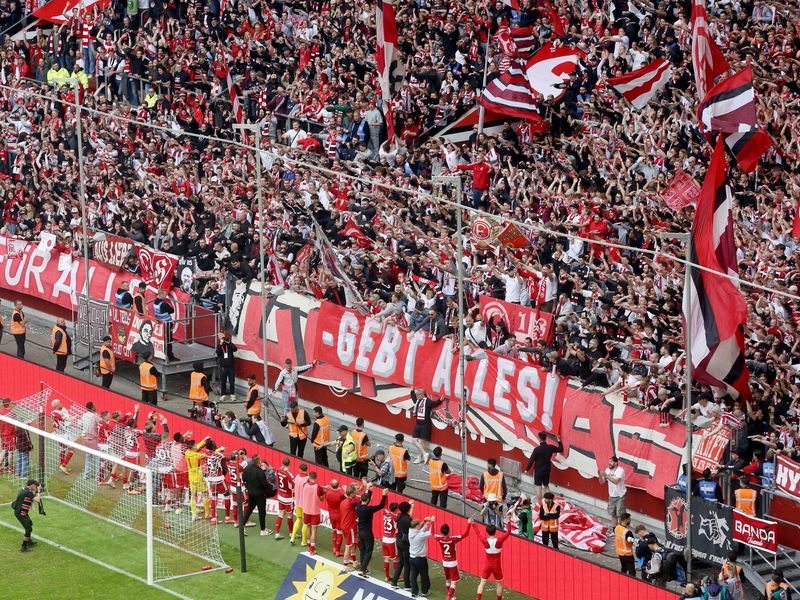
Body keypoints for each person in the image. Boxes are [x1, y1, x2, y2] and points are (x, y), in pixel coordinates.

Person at [434, 518, 472, 600]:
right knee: (454, 581)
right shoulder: (453, 539)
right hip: (453, 563)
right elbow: (465, 534)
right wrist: (469, 523)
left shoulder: (439, 538)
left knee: (448, 579)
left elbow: (433, 533)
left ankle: (452, 596)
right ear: (449, 531)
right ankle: (448, 597)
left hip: (445, 562)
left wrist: (432, 522)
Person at [241, 454, 278, 536]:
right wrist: (270, 486)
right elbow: (264, 484)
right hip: (259, 494)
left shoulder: (247, 469)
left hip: (251, 492)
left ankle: (242, 526)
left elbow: (244, 479)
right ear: (258, 461)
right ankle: (263, 530)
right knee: (262, 511)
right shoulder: (260, 471)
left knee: (249, 509)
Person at [356, 485, 389, 577]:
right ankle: (363, 570)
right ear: (368, 500)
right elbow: (381, 505)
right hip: (367, 533)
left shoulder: (358, 506)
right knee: (368, 551)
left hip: (360, 531)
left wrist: (369, 491)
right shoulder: (369, 509)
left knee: (362, 550)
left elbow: (365, 500)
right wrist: (384, 495)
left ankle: (363, 567)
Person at [475, 521, 511, 600]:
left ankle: (478, 598)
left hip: (487, 565)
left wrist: (473, 524)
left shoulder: (485, 540)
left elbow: (478, 533)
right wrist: (508, 521)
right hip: (496, 565)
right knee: (499, 584)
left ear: (487, 532)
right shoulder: (499, 541)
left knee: (482, 583)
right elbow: (508, 532)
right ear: (495, 531)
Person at [525, 432, 564, 503]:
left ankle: (540, 504)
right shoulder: (550, 447)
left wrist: (527, 469)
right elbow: (560, 449)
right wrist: (559, 440)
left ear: (539, 439)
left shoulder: (537, 449)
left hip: (538, 470)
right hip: (547, 469)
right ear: (545, 438)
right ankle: (548, 502)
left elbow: (531, 460)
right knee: (546, 486)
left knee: (539, 488)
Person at [410, 389, 443, 464]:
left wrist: (440, 400)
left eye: (418, 395)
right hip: (418, 423)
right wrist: (412, 391)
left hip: (425, 424)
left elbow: (434, 404)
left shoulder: (427, 401)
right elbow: (413, 398)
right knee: (414, 440)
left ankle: (420, 457)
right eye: (417, 395)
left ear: (422, 395)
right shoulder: (417, 401)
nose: (417, 396)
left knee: (423, 442)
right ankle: (425, 454)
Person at [390, 500, 415, 589]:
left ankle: (394, 581)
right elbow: (412, 523)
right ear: (407, 509)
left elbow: (408, 518)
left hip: (399, 540)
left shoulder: (399, 516)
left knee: (400, 562)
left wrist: (410, 506)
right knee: (407, 564)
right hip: (405, 542)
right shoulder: (407, 519)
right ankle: (407, 584)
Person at [599, 456, 627, 527]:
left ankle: (623, 529)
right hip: (612, 495)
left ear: (616, 463)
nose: (609, 463)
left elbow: (616, 481)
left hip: (620, 495)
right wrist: (600, 476)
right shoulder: (607, 470)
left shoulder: (620, 470)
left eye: (611, 461)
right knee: (613, 514)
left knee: (620, 514)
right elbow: (602, 482)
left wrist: (606, 476)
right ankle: (614, 529)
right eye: (609, 461)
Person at [302, 471, 325, 555]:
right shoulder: (318, 487)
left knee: (308, 528)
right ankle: (312, 549)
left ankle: (309, 546)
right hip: (315, 511)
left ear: (309, 477)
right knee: (314, 530)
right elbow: (321, 499)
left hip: (306, 510)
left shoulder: (305, 485)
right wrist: (323, 491)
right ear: (316, 477)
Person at [13, 479, 41, 552]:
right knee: (28, 529)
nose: (36, 486)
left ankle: (29, 542)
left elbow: (31, 496)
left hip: (21, 512)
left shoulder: (25, 490)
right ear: (32, 485)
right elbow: (37, 500)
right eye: (35, 485)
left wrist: (36, 491)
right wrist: (39, 491)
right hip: (21, 513)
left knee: (29, 524)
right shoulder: (28, 492)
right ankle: (24, 547)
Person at [274, 457, 294, 540]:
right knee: (290, 515)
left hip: (280, 496)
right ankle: (291, 533)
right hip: (288, 498)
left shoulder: (278, 471)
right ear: (290, 464)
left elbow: (277, 472)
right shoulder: (289, 475)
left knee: (281, 514)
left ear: (282, 464)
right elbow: (294, 484)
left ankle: (277, 533)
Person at [324, 479, 346, 556]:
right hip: (339, 515)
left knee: (334, 531)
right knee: (339, 533)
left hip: (331, 514)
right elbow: (347, 499)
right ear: (338, 485)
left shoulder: (327, 493)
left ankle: (334, 548)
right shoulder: (340, 495)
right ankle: (338, 551)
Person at [153, 289, 176, 361]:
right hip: (167, 323)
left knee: (162, 340)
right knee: (168, 340)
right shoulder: (164, 304)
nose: (166, 296)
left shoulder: (155, 302)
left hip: (160, 324)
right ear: (162, 295)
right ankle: (170, 356)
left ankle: (163, 355)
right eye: (165, 294)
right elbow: (172, 311)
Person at [290, 462, 310, 546]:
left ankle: (292, 537)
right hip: (305, 504)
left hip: (298, 502)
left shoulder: (297, 477)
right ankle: (303, 541)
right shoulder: (308, 479)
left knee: (298, 519)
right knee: (305, 523)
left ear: (300, 469)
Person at [216, 333, 238, 401]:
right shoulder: (219, 346)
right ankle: (223, 394)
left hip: (231, 366)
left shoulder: (229, 345)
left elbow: (235, 349)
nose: (223, 339)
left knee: (232, 381)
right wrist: (221, 344)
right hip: (223, 367)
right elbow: (218, 353)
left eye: (224, 338)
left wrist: (229, 343)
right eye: (222, 338)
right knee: (223, 381)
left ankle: (232, 394)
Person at [381, 501, 400, 581]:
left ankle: (386, 576)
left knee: (387, 559)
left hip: (384, 539)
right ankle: (397, 576)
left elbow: (385, 505)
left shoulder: (385, 513)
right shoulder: (395, 517)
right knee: (396, 559)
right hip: (392, 541)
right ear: (396, 509)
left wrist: (385, 496)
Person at [615, 512, 636, 576]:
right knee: (631, 571)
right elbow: (631, 542)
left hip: (620, 553)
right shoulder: (627, 532)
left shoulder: (617, 528)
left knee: (624, 568)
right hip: (627, 554)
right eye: (629, 519)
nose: (630, 520)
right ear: (626, 520)